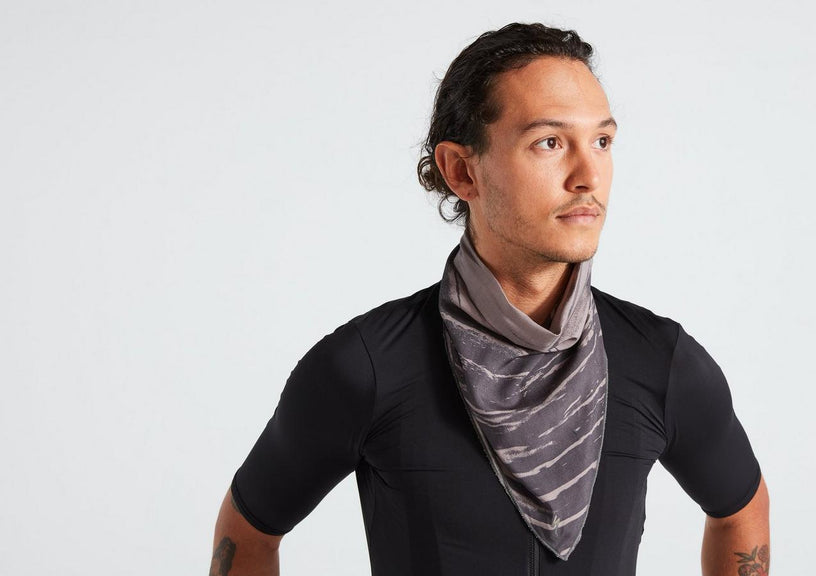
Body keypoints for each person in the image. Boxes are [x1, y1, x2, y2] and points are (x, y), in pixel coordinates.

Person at [210, 22, 770, 576]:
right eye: (549, 143)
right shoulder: (367, 367)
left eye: (602, 141)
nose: (588, 176)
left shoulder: (659, 361)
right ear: (461, 171)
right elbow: (250, 531)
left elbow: (741, 512)